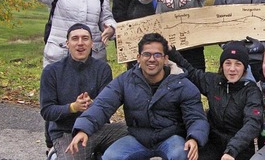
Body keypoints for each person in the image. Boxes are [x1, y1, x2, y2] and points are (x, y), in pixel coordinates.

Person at [68, 33, 209, 160]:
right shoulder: (125, 81)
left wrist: (194, 138)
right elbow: (102, 105)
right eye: (146, 54)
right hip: (138, 139)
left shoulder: (182, 84)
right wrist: (83, 129)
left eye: (157, 55)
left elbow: (196, 117)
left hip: (171, 138)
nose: (151, 59)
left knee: (181, 154)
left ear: (166, 59)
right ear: (138, 58)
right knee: (110, 156)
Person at [39, 23, 128, 159]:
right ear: (67, 43)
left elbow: (108, 107)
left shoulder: (102, 69)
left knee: (135, 134)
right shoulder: (52, 72)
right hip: (66, 132)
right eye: (75, 39)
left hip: (98, 129)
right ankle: (55, 154)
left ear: (92, 43)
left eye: (85, 38)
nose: (80, 43)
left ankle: (98, 154)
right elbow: (47, 111)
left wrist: (93, 105)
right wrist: (73, 107)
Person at [168, 41, 263, 160]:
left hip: (239, 149)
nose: (232, 69)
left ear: (244, 68)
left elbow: (252, 123)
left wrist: (231, 150)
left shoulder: (251, 91)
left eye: (238, 64)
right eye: (228, 63)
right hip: (212, 144)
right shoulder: (213, 81)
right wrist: (171, 52)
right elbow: (191, 72)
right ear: (222, 65)